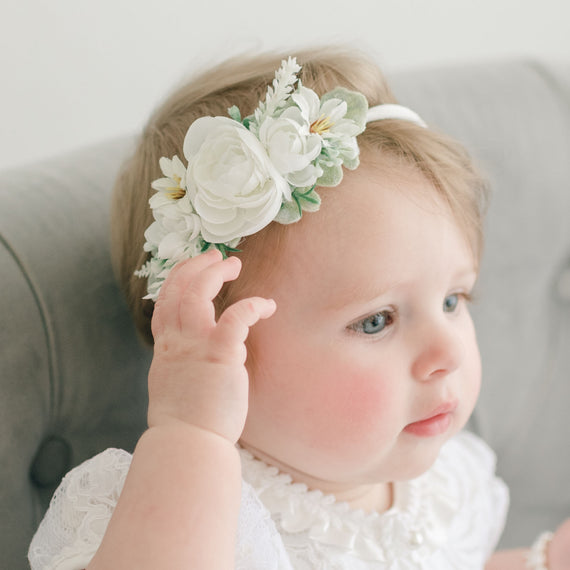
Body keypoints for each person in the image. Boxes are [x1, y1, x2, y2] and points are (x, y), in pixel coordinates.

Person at [28, 48, 570, 570]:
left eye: (453, 300)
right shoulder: (206, 512)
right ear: (222, 347)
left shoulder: (442, 484)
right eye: (376, 321)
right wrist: (189, 431)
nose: (448, 353)